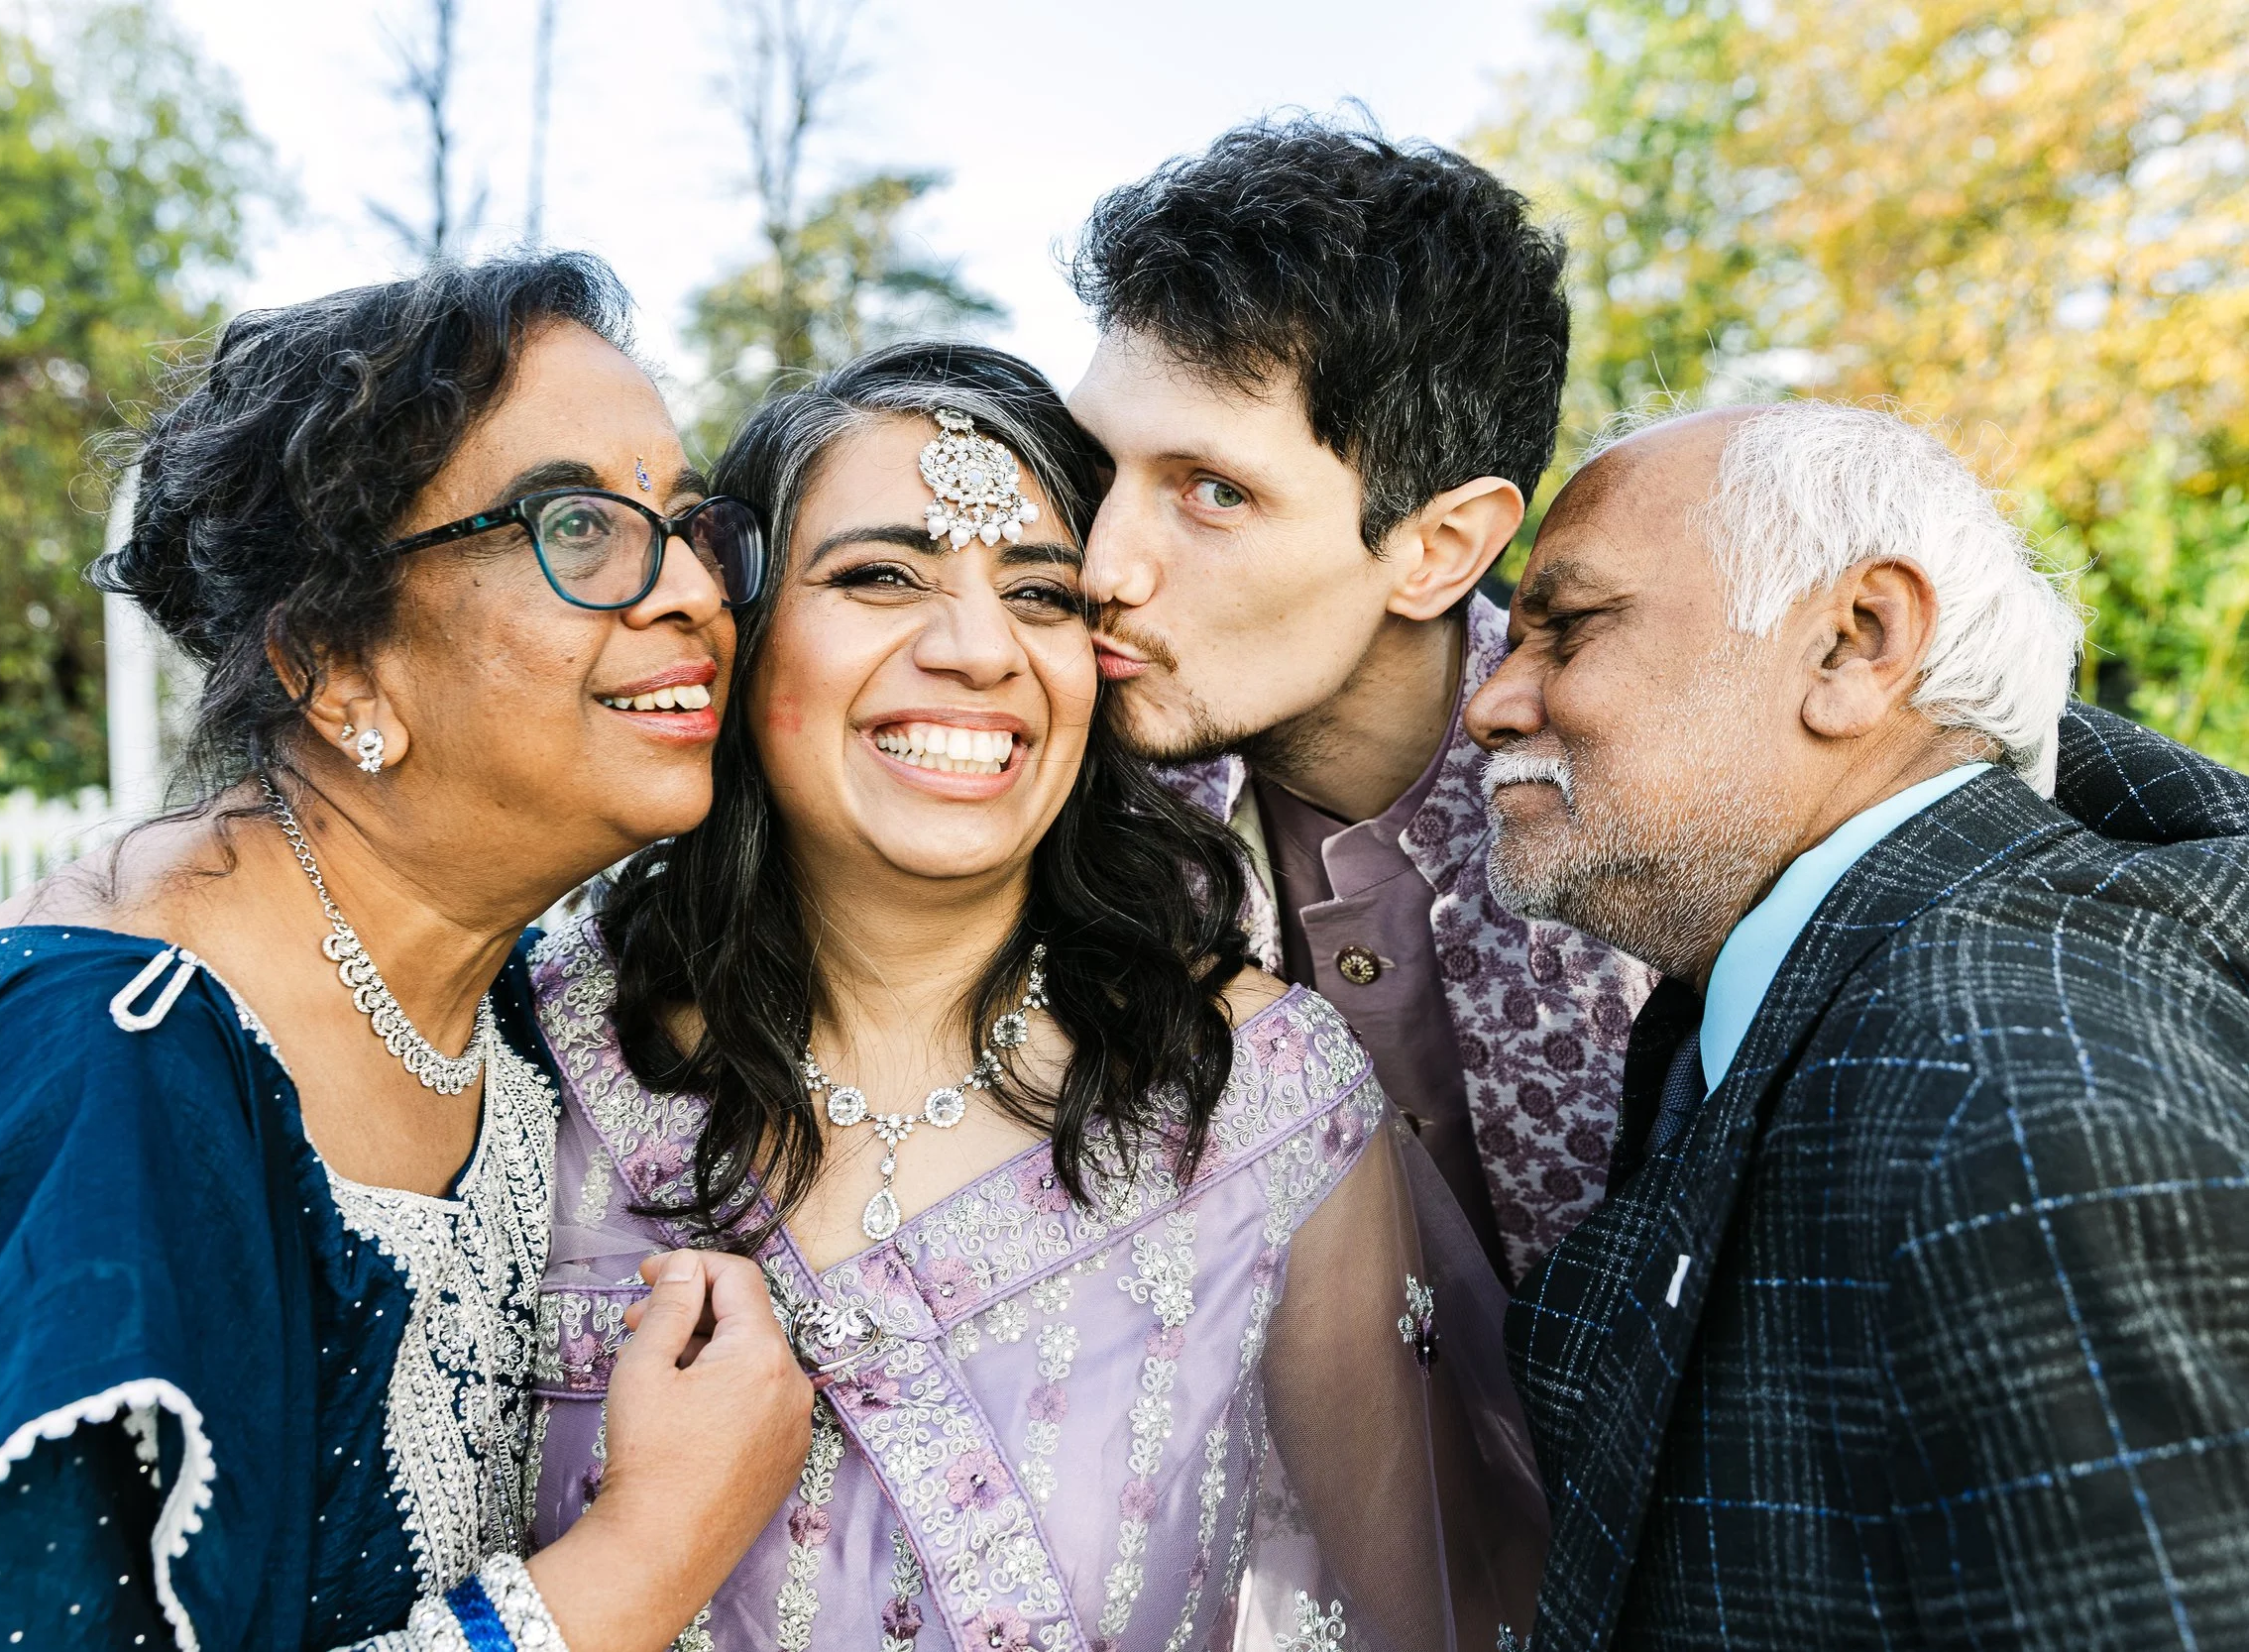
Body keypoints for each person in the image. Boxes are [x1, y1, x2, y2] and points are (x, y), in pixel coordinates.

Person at [0, 254, 817, 1651]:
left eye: (688, 522)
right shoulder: (93, 1075)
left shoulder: (515, 1015)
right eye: (581, 523)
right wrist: (638, 1561)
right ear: (334, 663)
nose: (694, 585)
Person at [524, 341, 1537, 1652]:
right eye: (881, 575)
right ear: (742, 626)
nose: (975, 650)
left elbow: (1421, 1618)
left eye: (1043, 594)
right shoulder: (536, 1054)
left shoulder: (1258, 1096)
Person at [1473, 400, 2249, 1648]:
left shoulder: (2001, 1105)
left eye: (1567, 626)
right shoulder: (1876, 1006)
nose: (1493, 705)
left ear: (1853, 645)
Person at [1066, 117, 1655, 1294]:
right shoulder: (1045, 804)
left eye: (1214, 491)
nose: (1100, 564)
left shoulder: (1667, 807)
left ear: (1438, 548)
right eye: (1094, 471)